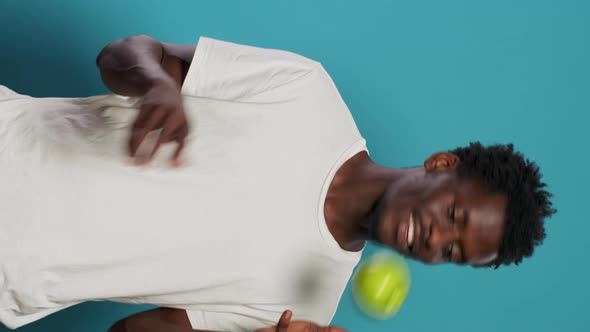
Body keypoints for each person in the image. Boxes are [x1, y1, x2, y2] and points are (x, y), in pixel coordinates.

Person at [0, 35, 555, 332]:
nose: (436, 241)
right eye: (454, 217)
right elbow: (121, 54)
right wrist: (156, 87)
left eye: (453, 253)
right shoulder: (306, 93)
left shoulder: (311, 306)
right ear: (441, 165)